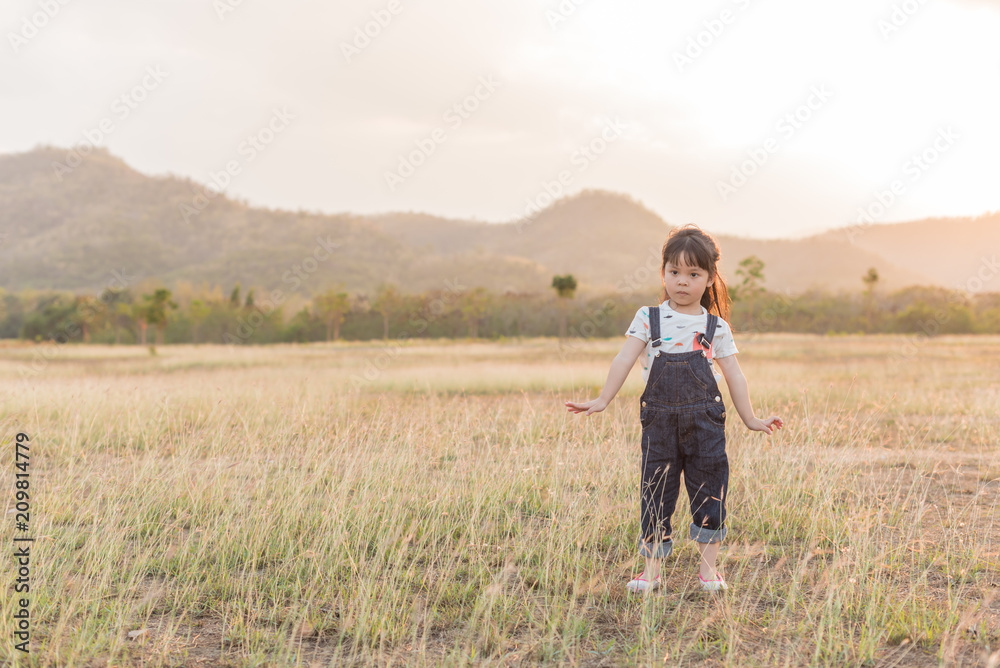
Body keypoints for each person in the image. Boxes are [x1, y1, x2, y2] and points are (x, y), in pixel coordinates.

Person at [564, 225, 783, 594]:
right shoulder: (649, 318)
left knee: (710, 489)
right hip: (659, 423)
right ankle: (650, 573)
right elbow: (623, 359)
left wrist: (750, 418)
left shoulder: (716, 327)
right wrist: (603, 399)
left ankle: (708, 571)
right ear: (663, 273)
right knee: (655, 491)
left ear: (710, 278)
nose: (682, 282)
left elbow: (735, 375)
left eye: (693, 274)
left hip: (705, 424)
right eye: (674, 272)